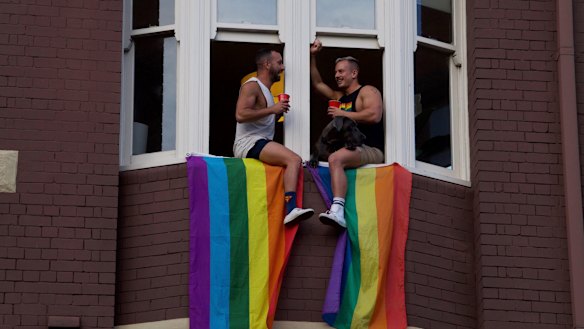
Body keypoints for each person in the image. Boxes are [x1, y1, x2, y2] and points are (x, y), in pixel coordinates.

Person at [233, 48, 314, 225]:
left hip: (259, 141)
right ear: (267, 64)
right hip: (248, 143)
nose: (283, 67)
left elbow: (260, 118)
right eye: (279, 62)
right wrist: (273, 109)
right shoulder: (251, 85)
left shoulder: (267, 91)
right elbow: (240, 115)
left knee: (290, 162)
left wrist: (276, 113)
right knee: (294, 160)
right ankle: (291, 209)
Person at [309, 39, 384, 228]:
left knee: (335, 159)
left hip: (371, 149)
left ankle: (338, 211)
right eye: (336, 72)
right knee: (321, 158)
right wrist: (312, 56)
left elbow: (374, 115)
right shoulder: (339, 97)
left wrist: (343, 113)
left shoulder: (367, 91)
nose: (337, 75)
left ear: (354, 73)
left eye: (341, 71)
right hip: (350, 149)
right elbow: (317, 83)